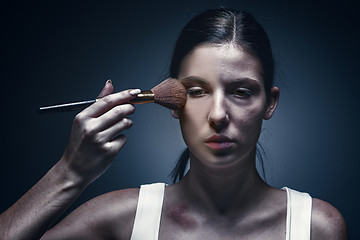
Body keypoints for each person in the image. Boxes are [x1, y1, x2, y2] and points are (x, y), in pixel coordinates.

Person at [0, 8, 348, 240]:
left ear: (269, 103)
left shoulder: (316, 226)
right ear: (173, 102)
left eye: (241, 92)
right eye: (196, 91)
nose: (217, 114)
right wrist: (68, 174)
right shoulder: (117, 220)